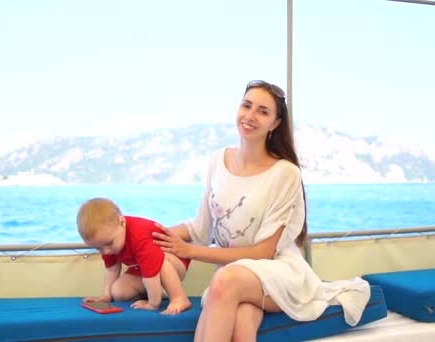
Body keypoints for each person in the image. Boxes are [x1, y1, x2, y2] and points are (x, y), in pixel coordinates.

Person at [153, 80, 370, 341]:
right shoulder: (216, 161)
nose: (250, 115)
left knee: (225, 281)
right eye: (247, 105)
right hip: (239, 278)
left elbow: (264, 252)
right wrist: (154, 233)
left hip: (277, 271)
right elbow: (199, 228)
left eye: (263, 111)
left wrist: (191, 252)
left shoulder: (285, 173)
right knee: (242, 318)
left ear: (275, 124)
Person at [77, 197, 192, 315]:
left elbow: (151, 271)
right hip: (143, 267)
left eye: (109, 244)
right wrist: (107, 295)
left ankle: (179, 298)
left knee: (159, 261)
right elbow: (112, 269)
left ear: (122, 223)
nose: (105, 251)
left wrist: (152, 304)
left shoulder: (139, 236)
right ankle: (156, 291)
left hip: (175, 261)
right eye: (98, 248)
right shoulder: (107, 243)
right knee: (118, 292)